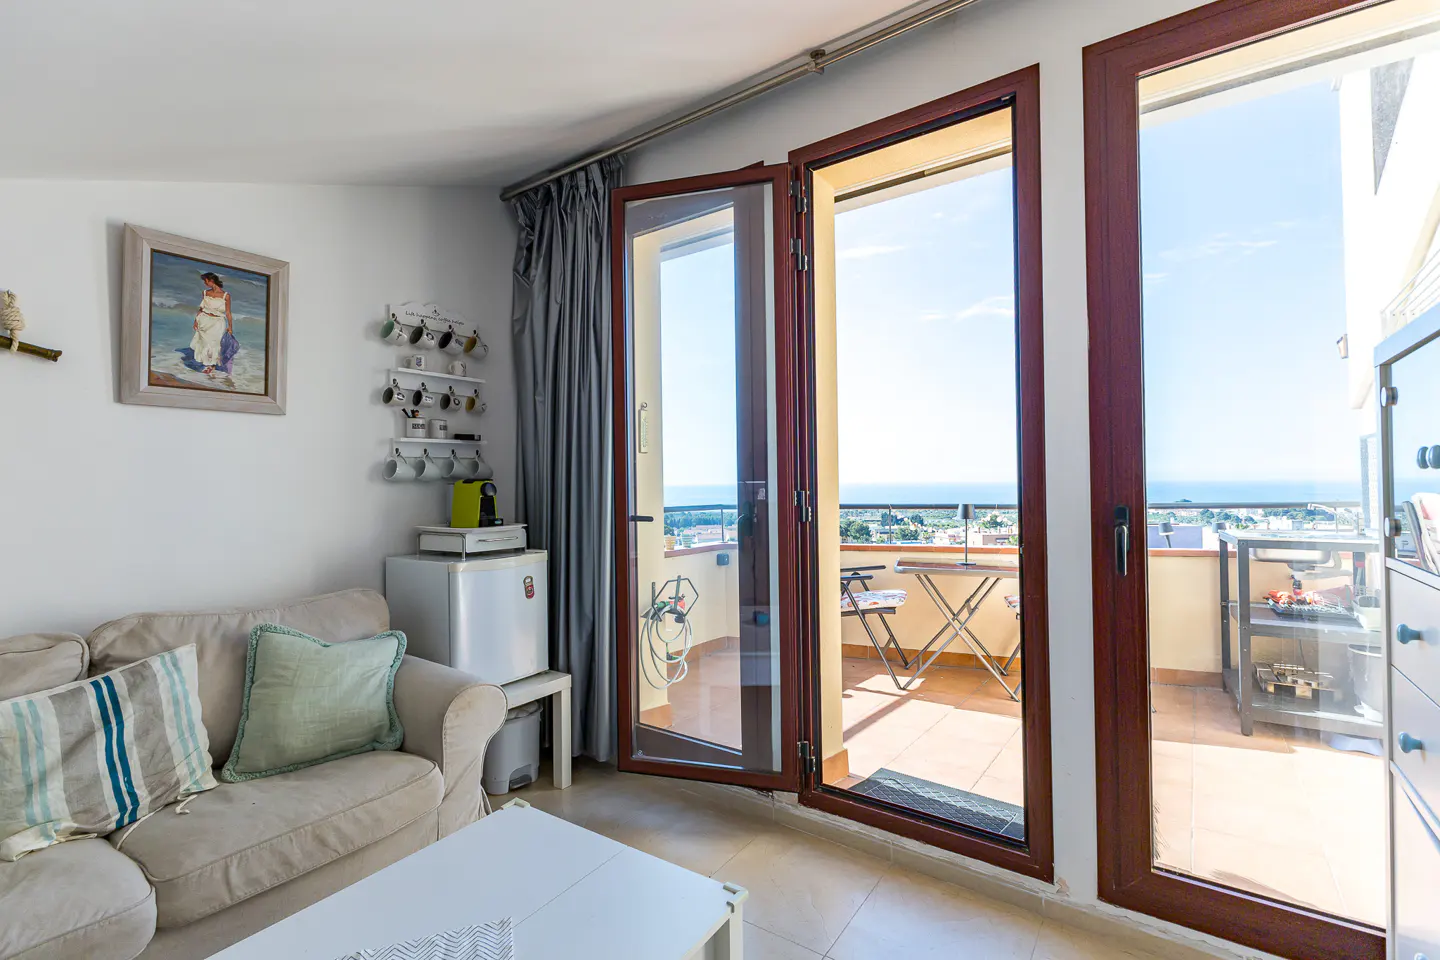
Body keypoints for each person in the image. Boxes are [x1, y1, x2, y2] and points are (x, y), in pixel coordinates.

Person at [191, 272, 232, 375]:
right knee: (205, 344)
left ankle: (212, 365)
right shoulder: (205, 293)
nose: (205, 283)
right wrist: (196, 321)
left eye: (206, 281)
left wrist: (230, 327)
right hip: (204, 320)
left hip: (218, 323)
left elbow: (228, 312)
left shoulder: (226, 296)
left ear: (211, 281)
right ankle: (207, 364)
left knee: (215, 344)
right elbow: (201, 309)